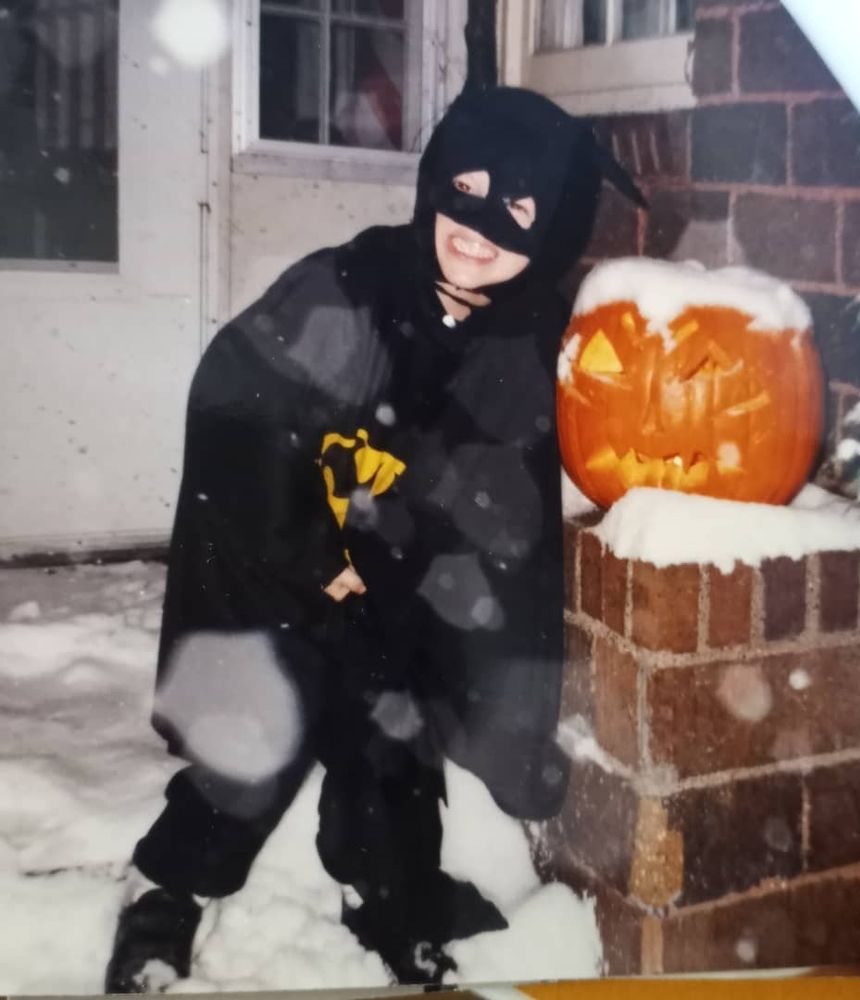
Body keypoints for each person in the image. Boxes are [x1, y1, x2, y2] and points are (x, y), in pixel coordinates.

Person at [104, 86, 643, 991]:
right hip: (290, 565)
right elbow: (238, 420)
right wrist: (316, 559)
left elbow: (519, 473)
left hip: (398, 577)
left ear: (548, 229)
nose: (481, 231)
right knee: (260, 730)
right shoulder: (345, 290)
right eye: (467, 192)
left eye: (517, 211)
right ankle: (168, 885)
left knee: (394, 741)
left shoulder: (527, 335)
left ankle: (386, 894)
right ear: (434, 183)